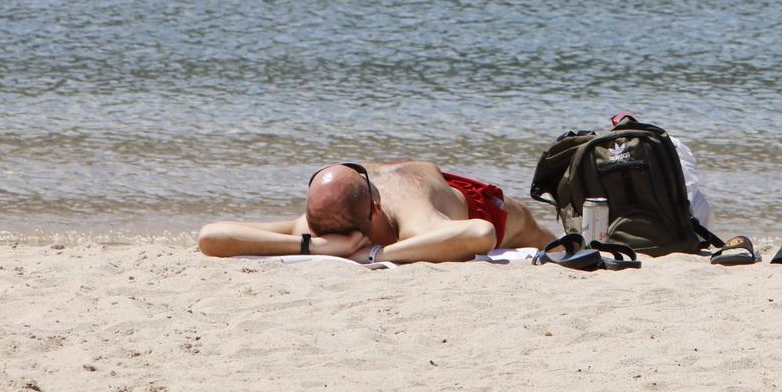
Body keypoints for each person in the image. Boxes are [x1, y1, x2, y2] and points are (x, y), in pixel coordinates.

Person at [196, 160, 561, 263]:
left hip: (484, 206)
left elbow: (481, 231)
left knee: (546, 238)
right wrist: (314, 247)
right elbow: (211, 236)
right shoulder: (322, 222)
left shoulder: (412, 215)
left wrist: (375, 254)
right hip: (424, 188)